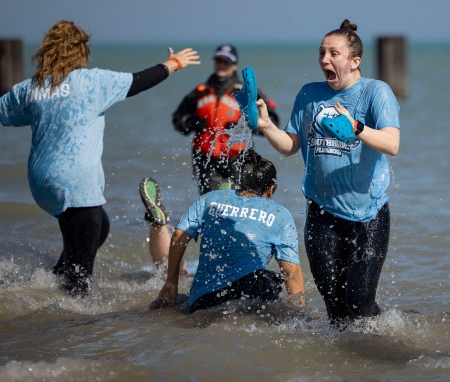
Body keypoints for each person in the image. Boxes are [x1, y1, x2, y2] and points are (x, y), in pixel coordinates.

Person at [0, 20, 200, 296]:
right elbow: (139, 81)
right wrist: (174, 63)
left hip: (42, 184)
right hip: (77, 182)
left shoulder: (30, 88)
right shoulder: (93, 82)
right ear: (81, 52)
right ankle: (72, 321)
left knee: (96, 229)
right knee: (81, 282)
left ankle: (51, 282)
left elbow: (3, 113)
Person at [255, 19, 400, 327]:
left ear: (354, 61)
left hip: (368, 216)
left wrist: (357, 127)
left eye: (334, 53)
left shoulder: (376, 92)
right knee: (335, 309)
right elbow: (290, 145)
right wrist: (267, 125)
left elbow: (392, 143)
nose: (324, 60)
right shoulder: (309, 94)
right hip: (321, 213)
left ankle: (382, 332)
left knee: (359, 305)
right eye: (322, 53)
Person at [147, 150, 305, 313]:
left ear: (238, 183)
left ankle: (157, 224)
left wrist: (171, 282)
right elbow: (291, 270)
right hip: (255, 289)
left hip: (207, 298)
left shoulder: (208, 199)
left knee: (178, 306)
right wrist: (299, 313)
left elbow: (179, 236)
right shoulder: (280, 214)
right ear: (271, 190)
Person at [172, 44, 279, 194]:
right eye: (219, 61)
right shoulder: (200, 92)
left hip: (239, 159)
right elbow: (177, 119)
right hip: (206, 159)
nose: (221, 65)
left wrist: (246, 125)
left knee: (239, 201)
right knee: (210, 203)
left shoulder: (246, 91)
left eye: (226, 62)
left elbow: (271, 121)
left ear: (234, 66)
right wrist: (191, 122)